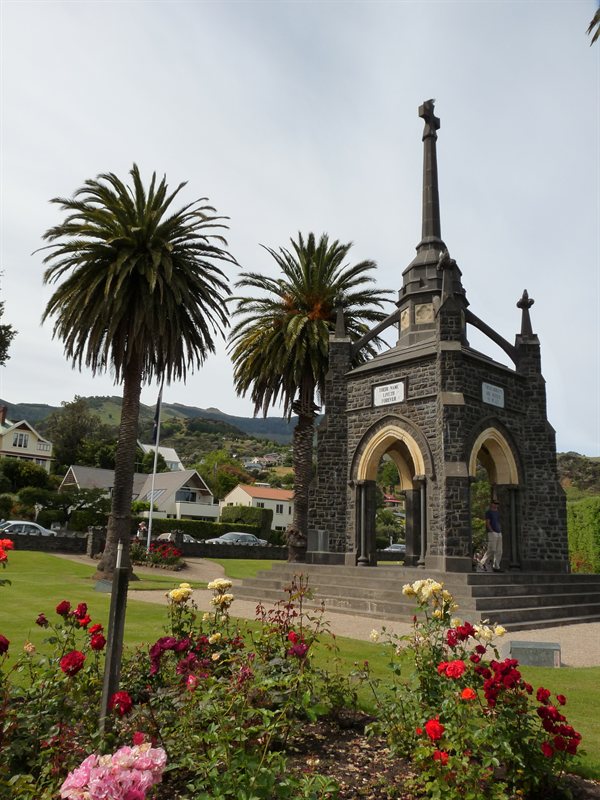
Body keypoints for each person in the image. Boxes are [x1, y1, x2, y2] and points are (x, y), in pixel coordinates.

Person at [479, 500, 503, 573]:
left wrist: (499, 530)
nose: (496, 505)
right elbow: (488, 522)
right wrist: (491, 530)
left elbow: (498, 521)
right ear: (491, 504)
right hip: (492, 533)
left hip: (499, 532)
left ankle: (496, 566)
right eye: (495, 503)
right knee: (492, 549)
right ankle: (482, 563)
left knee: (499, 551)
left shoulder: (497, 513)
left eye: (497, 504)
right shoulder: (489, 512)